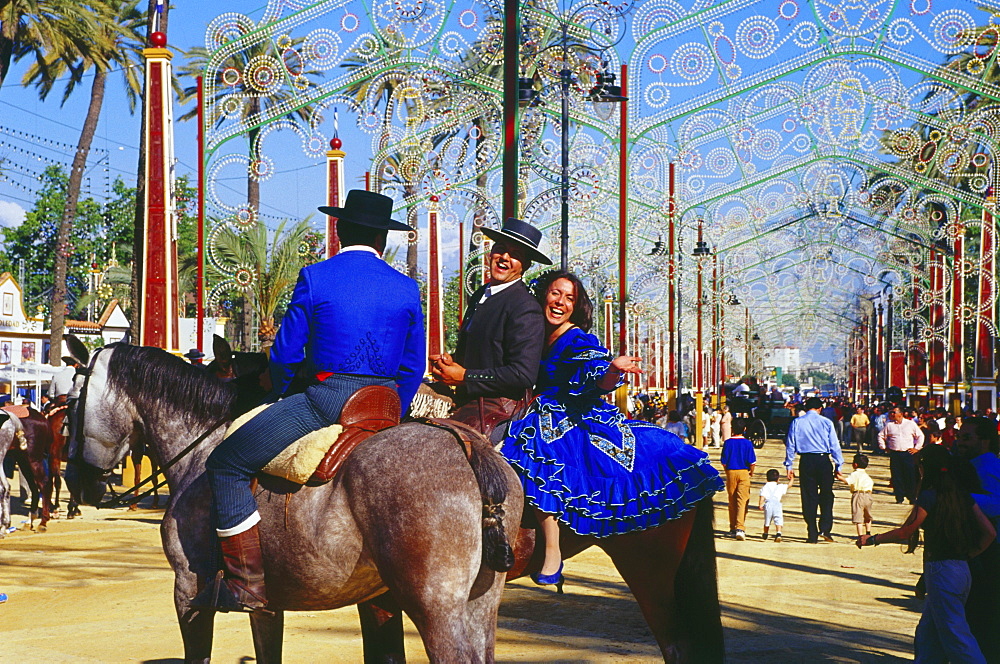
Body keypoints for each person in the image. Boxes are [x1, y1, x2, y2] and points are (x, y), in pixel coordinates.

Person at [197, 190, 425, 613]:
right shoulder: (407, 288)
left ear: (340, 230)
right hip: (385, 404)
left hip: (325, 401)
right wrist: (394, 408)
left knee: (225, 464)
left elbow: (284, 355)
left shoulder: (316, 277)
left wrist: (280, 393)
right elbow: (413, 366)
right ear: (382, 238)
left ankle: (247, 584)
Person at [501, 270, 724, 590]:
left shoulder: (576, 338)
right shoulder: (538, 334)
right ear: (543, 296)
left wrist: (611, 371)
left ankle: (552, 549)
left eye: (569, 298)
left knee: (540, 451)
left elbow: (594, 373)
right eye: (555, 294)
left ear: (576, 307)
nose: (560, 302)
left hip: (565, 412)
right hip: (538, 403)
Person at [858, 445, 995, 663]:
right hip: (960, 568)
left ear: (924, 468)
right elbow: (989, 532)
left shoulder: (929, 497)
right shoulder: (961, 496)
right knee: (929, 633)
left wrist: (873, 539)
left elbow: (906, 532)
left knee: (956, 634)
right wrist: (969, 555)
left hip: (942, 570)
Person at [430, 217, 549, 431]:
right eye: (501, 249)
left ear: (525, 265)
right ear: (491, 252)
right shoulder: (479, 295)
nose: (505, 257)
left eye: (515, 255)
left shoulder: (525, 307)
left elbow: (523, 374)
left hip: (500, 409)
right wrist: (450, 363)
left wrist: (465, 376)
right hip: (469, 400)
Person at [954, 417, 1000, 661]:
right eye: (959, 437)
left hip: (990, 551)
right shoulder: (971, 464)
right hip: (976, 549)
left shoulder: (989, 467)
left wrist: (959, 498)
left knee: (985, 615)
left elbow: (996, 503)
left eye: (966, 438)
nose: (960, 442)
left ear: (984, 441)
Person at [784, 396, 844, 543]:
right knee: (827, 494)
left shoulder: (797, 422)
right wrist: (838, 465)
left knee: (808, 496)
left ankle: (812, 532)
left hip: (806, 461)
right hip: (823, 460)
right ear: (820, 409)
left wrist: (789, 465)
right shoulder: (826, 422)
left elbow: (790, 444)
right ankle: (825, 528)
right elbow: (834, 445)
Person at [879, 406, 925, 504]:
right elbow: (881, 435)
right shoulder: (889, 425)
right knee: (896, 475)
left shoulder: (910, 424)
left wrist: (916, 448)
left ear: (900, 414)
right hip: (895, 453)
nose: (892, 414)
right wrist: (884, 447)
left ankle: (912, 497)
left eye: (894, 412)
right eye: (891, 412)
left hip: (908, 453)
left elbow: (920, 436)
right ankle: (899, 497)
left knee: (910, 475)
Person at [721, 430, 756, 540]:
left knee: (732, 500)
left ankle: (732, 527)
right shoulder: (747, 443)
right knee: (742, 500)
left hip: (731, 471)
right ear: (744, 429)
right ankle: (740, 527)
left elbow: (724, 462)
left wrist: (727, 471)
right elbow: (752, 462)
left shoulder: (727, 443)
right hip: (744, 472)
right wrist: (751, 472)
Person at [840, 453, 874, 543]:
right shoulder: (866, 475)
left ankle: (860, 535)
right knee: (867, 515)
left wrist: (839, 477)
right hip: (869, 495)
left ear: (855, 464)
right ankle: (868, 532)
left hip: (858, 495)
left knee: (858, 516)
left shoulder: (855, 474)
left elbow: (848, 481)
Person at [758, 468, 792, 542]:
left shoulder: (765, 486)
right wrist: (792, 478)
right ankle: (778, 533)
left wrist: (760, 504)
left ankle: (765, 533)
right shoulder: (780, 486)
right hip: (777, 504)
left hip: (768, 504)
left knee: (767, 519)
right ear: (778, 479)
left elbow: (762, 496)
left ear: (767, 478)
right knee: (778, 518)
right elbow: (789, 485)